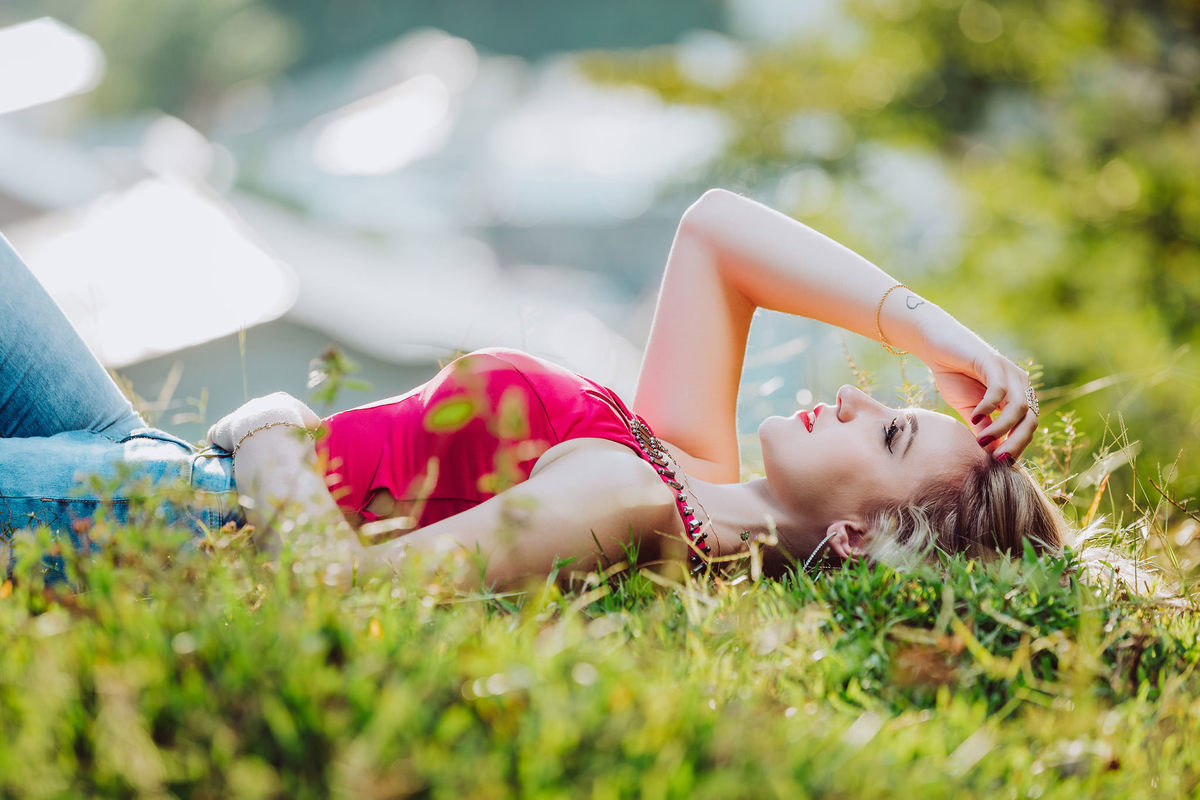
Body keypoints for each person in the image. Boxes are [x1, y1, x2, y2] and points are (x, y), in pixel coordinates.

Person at [0, 189, 1067, 588]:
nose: (861, 399)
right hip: (141, 460)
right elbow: (716, 231)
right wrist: (943, 334)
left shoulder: (637, 510)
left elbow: (335, 593)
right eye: (894, 400)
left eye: (889, 439)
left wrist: (278, 428)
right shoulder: (689, 467)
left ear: (855, 542)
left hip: (172, 520)